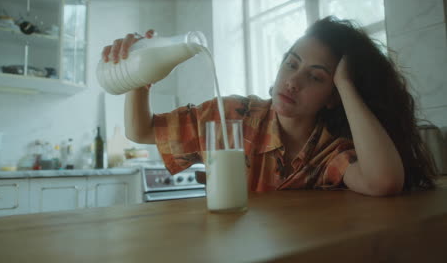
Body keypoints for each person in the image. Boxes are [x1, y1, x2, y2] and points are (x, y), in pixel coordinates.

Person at [102, 16, 437, 196]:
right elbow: (141, 131)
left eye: (316, 78)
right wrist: (139, 72)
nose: (293, 82)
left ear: (332, 96)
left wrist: (347, 85)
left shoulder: (329, 153)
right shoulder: (231, 117)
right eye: (291, 64)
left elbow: (383, 183)